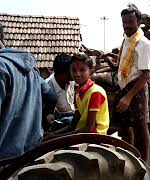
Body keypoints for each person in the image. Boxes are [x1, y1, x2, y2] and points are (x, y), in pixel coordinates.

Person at [0, 24, 56, 160]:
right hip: (31, 153)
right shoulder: (31, 69)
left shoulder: (2, 67)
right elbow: (52, 97)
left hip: (4, 159)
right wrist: (41, 123)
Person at [110, 5, 150, 164]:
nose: (127, 25)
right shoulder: (126, 41)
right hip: (124, 88)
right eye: (124, 22)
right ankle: (130, 160)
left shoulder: (144, 44)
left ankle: (144, 165)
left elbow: (146, 74)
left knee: (141, 128)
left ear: (139, 21)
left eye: (130, 21)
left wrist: (128, 97)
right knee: (125, 127)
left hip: (137, 89)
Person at [47, 54, 109, 137]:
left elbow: (89, 129)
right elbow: (73, 125)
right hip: (82, 132)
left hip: (95, 135)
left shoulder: (95, 93)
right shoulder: (78, 92)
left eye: (82, 70)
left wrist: (57, 137)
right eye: (74, 70)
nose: (77, 74)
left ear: (91, 72)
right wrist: (53, 134)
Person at [45, 53, 75, 130]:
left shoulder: (71, 81)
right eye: (73, 70)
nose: (75, 73)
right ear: (63, 73)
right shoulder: (46, 88)